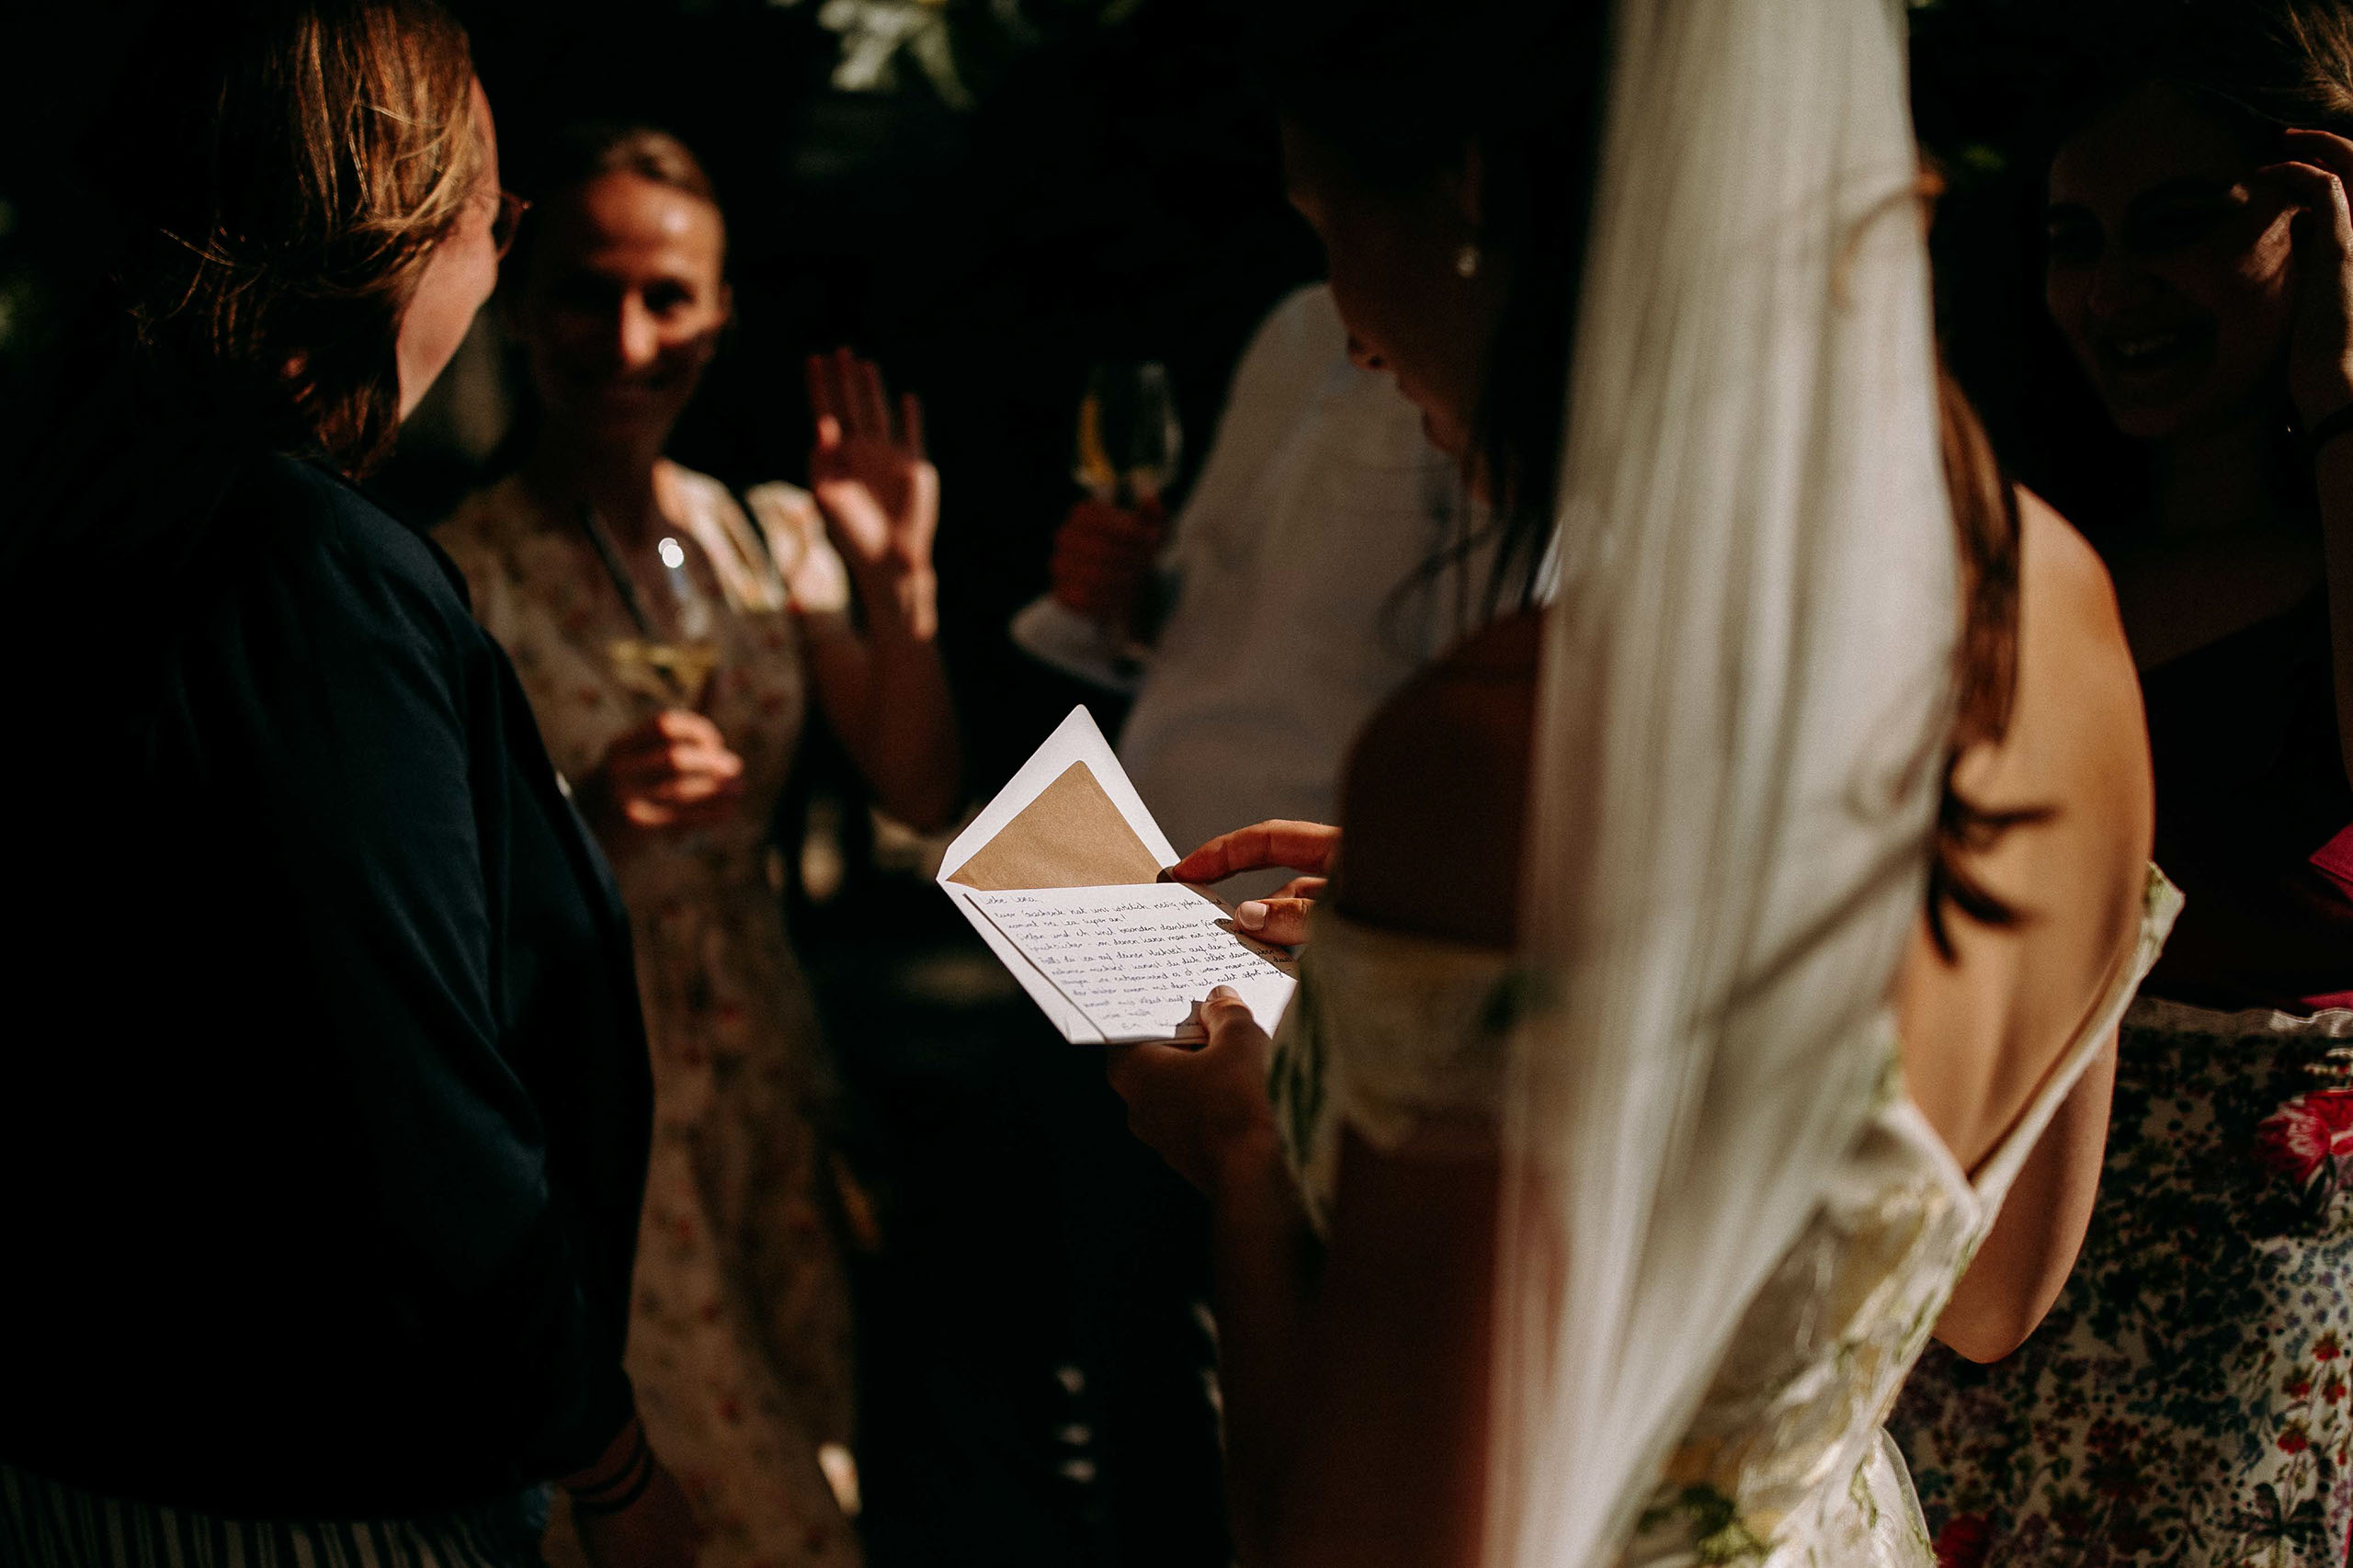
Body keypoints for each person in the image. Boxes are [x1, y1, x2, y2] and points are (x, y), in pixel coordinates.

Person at [1103, 0, 2171, 1564]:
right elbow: (1999, 1299)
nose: (1341, 320)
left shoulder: (1491, 753)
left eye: (1326, 219)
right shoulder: (2055, 594)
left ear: (1470, 193)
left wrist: (1250, 1167)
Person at [0, 4, 693, 1564]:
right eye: (497, 221)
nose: (496, 264)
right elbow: (413, 1097)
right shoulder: (302, 574)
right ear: (402, 230)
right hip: (307, 1478)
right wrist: (615, 1463)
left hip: (88, 1430)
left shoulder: (86, 509)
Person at [435, 124, 960, 1568]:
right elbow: (430, 898)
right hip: (595, 1086)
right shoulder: (459, 573)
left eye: (668, 297)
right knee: (730, 1505)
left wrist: (898, 581)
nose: (625, 335)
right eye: (583, 292)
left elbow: (917, 785)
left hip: (764, 1073)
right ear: (521, 304)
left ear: (720, 315)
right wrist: (584, 827)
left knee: (804, 1431)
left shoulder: (757, 539)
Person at [1891, 10, 2353, 1563]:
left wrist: (2349, 393)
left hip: (2249, 1316)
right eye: (2076, 240)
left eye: (2177, 229)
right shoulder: (2018, 564)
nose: (2111, 290)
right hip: (1976, 1268)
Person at [1025, 282, 1474, 900]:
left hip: (1298, 890)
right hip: (1147, 849)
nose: (1358, 350)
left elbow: (1477, 699)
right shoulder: (1294, 325)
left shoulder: (1466, 366)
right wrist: (1127, 596)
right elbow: (1210, 607)